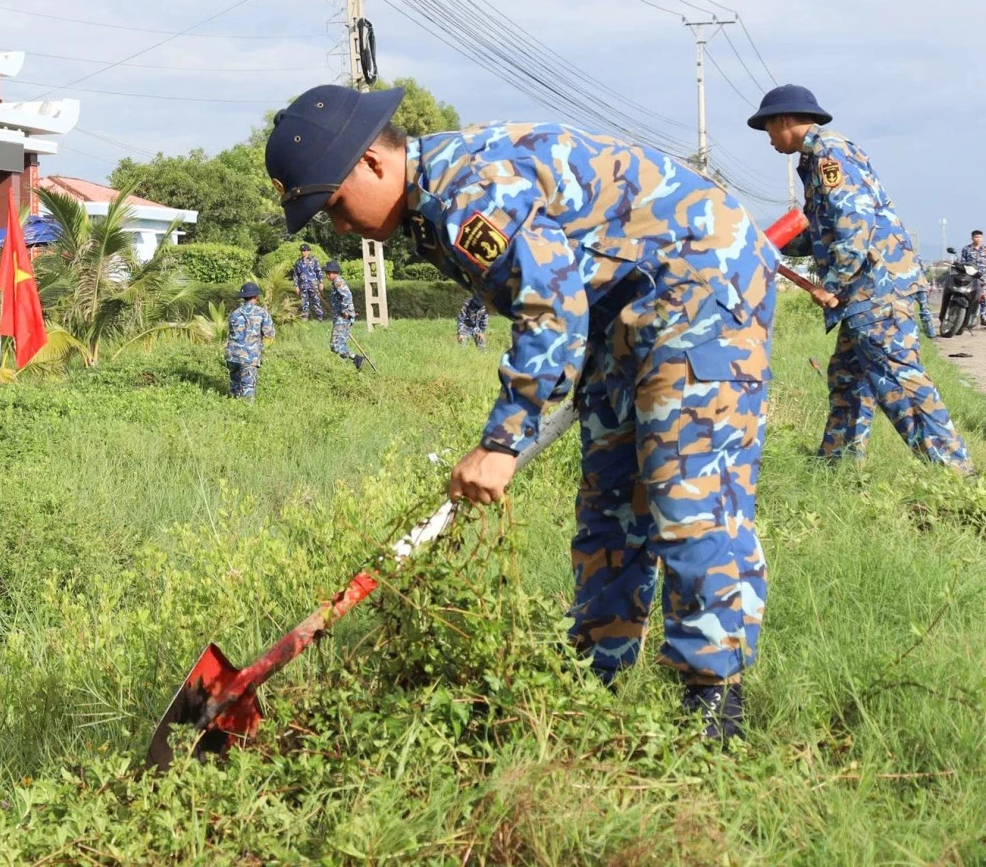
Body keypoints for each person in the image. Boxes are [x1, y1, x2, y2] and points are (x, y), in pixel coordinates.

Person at [266, 84, 779, 739]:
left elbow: (549, 309)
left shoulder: (469, 193)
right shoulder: (428, 204)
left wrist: (501, 441)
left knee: (686, 492)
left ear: (371, 162)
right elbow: (568, 296)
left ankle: (712, 712)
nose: (338, 226)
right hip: (624, 307)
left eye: (334, 204)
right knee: (609, 503)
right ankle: (594, 682)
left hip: (700, 285)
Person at [749, 85, 973, 474]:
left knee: (898, 378)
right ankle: (838, 465)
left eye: (768, 129)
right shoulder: (816, 158)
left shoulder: (828, 154)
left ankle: (954, 474)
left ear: (784, 121)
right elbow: (822, 229)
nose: (768, 140)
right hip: (866, 290)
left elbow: (854, 227)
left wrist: (830, 284)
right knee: (849, 379)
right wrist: (763, 243)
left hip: (877, 288)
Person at [224, 281, 275, 400]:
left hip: (232, 354)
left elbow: (232, 331)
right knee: (248, 388)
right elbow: (270, 333)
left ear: (243, 298)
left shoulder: (235, 313)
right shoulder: (262, 313)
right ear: (256, 297)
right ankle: (247, 414)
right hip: (249, 355)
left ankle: (233, 407)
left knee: (235, 386)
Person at [324, 261, 367, 371]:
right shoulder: (335, 282)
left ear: (333, 273)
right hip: (341, 317)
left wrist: (344, 310)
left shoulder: (338, 282)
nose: (327, 275)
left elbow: (347, 296)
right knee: (339, 344)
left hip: (343, 318)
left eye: (328, 273)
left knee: (335, 345)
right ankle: (348, 366)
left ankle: (356, 358)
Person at [291, 243, 326, 321]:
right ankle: (304, 318)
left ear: (308, 251)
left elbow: (319, 272)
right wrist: (296, 286)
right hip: (303, 286)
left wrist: (321, 282)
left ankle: (320, 318)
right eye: (302, 251)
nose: (303, 252)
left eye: (305, 250)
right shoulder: (298, 262)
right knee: (304, 303)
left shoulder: (314, 260)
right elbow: (295, 275)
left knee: (316, 301)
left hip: (313, 285)